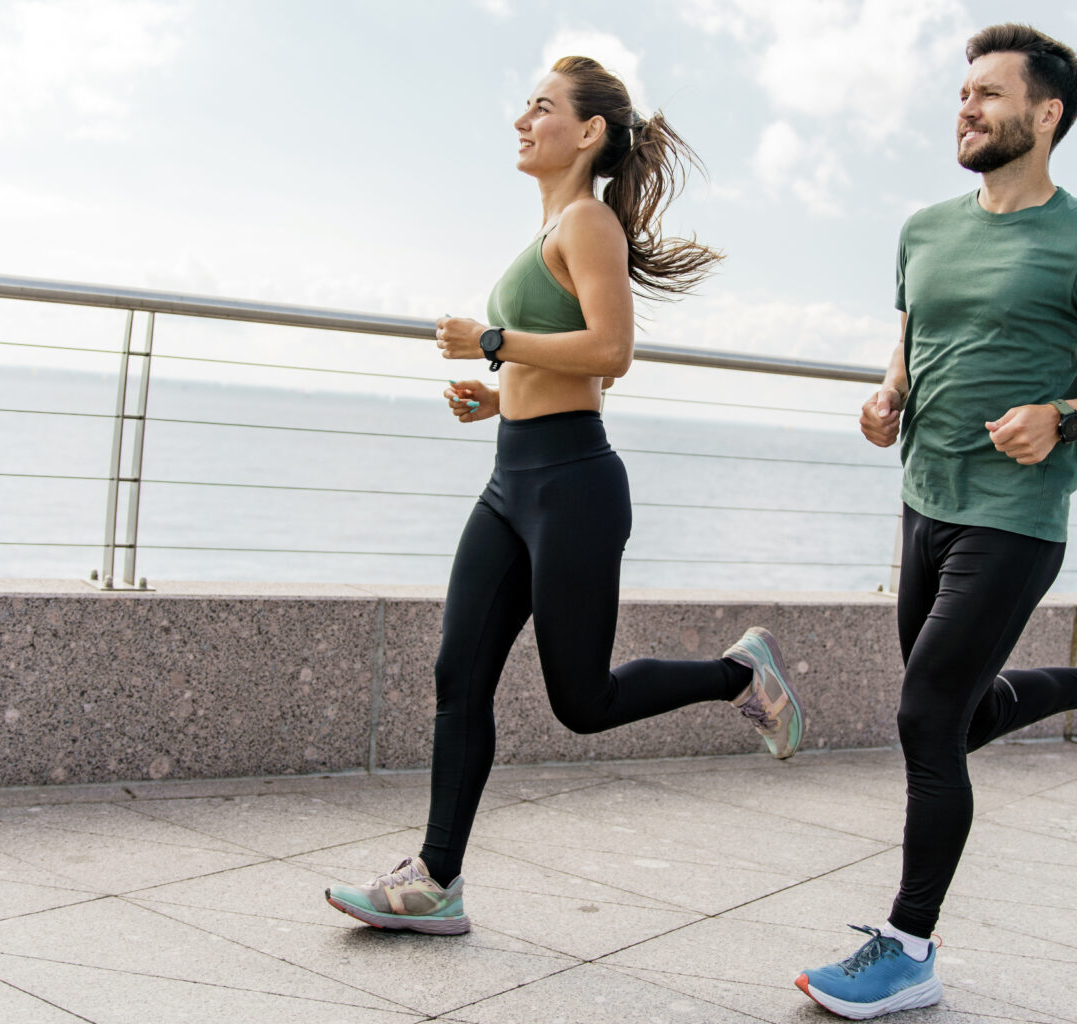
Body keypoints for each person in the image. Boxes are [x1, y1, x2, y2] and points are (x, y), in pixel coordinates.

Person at [325, 56, 804, 936]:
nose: (522, 120)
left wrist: (493, 340)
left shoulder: (587, 221)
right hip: (512, 478)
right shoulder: (549, 231)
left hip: (575, 487)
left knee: (580, 704)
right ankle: (436, 881)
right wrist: (500, 393)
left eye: (541, 108)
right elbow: (569, 360)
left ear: (587, 134)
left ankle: (741, 671)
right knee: (455, 673)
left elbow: (612, 353)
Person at [794, 24, 1077, 1019]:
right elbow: (914, 339)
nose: (966, 109)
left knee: (925, 714)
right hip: (924, 501)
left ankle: (910, 947)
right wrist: (887, 399)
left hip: (1014, 518)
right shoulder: (925, 228)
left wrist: (1067, 414)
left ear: (1045, 115)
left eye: (989, 94)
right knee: (955, 718)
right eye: (962, 93)